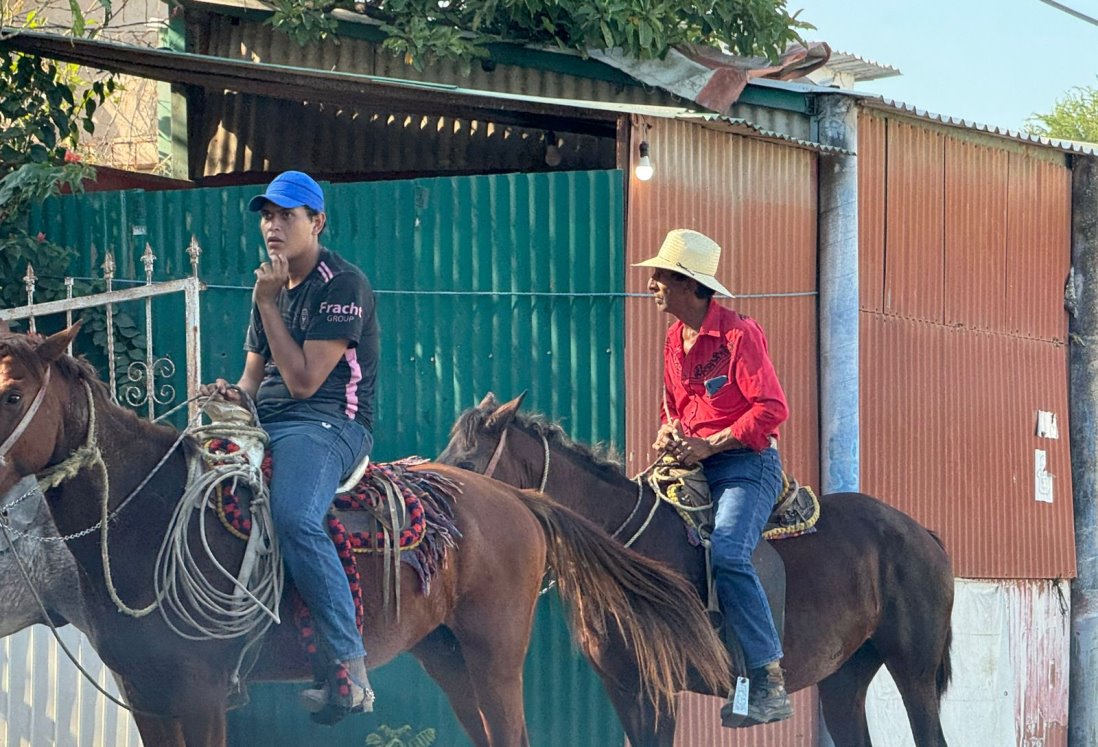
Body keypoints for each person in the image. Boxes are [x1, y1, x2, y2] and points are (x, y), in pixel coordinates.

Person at [201, 170, 379, 715]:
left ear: (316, 221)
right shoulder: (270, 291)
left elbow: (304, 383)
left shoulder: (342, 284)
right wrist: (230, 396)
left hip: (328, 424)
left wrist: (269, 305)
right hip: (270, 422)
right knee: (193, 491)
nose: (273, 226)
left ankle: (350, 666)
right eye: (267, 216)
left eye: (286, 215)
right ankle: (222, 650)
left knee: (296, 514)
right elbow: (255, 384)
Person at [634, 228, 793, 728]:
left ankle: (768, 680)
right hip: (694, 462)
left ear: (686, 283)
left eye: (660, 276)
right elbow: (675, 407)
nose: (652, 283)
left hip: (748, 465)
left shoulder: (739, 335)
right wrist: (669, 434)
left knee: (727, 550)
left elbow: (772, 409)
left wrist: (711, 443)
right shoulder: (671, 339)